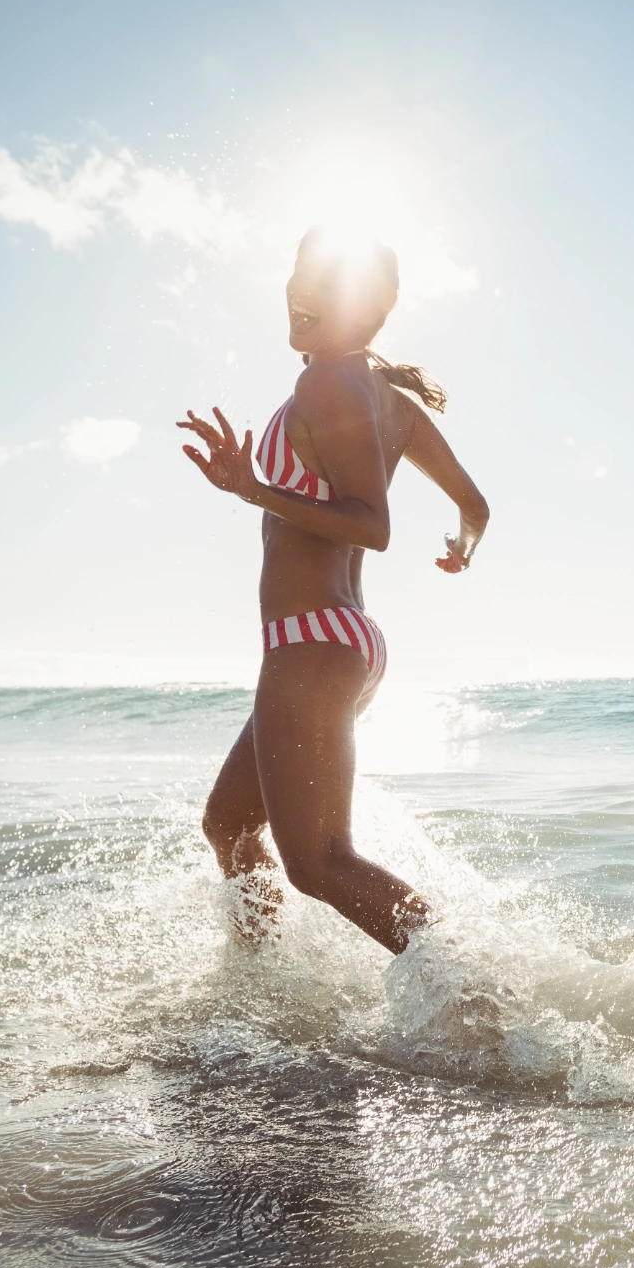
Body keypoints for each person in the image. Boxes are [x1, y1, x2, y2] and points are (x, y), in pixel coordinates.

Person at [178, 228, 489, 951]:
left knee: (319, 863)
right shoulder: (389, 400)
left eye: (327, 281)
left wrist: (254, 488)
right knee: (228, 824)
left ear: (371, 312)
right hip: (342, 639)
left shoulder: (325, 383)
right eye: (298, 273)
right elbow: (475, 508)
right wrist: (462, 549)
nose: (301, 289)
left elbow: (370, 525)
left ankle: (469, 982)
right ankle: (259, 978)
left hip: (313, 638)